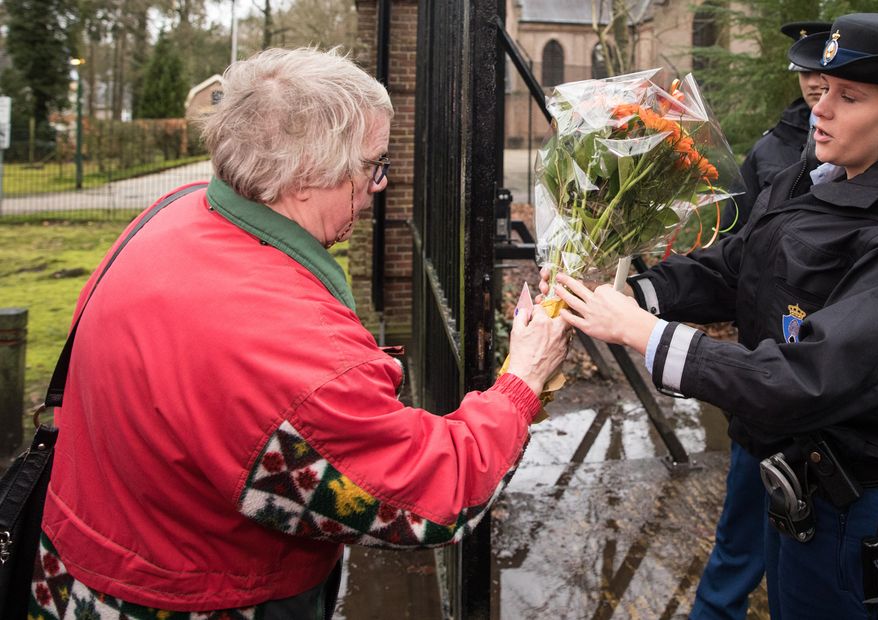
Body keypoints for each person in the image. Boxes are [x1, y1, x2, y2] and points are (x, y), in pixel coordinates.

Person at [30, 47, 570, 618]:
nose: (379, 184)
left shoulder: (172, 214)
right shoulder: (296, 355)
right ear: (310, 174)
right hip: (192, 599)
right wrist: (525, 378)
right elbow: (434, 495)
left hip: (77, 566)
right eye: (374, 164)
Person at [546, 13, 878, 619]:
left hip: (860, 510)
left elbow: (803, 376)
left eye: (850, 97)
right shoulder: (820, 177)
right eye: (823, 88)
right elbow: (743, 266)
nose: (821, 107)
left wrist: (647, 335)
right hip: (803, 485)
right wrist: (639, 295)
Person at [692, 19, 832, 620]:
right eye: (807, 76)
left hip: (829, 398)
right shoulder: (776, 150)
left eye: (833, 81)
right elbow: (737, 251)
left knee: (811, 571)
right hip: (764, 384)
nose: (815, 90)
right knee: (740, 542)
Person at [721, 20, 831, 233]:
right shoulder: (768, 147)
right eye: (804, 73)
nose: (812, 83)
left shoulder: (862, 147)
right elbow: (732, 233)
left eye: (821, 73)